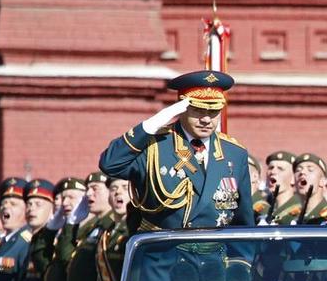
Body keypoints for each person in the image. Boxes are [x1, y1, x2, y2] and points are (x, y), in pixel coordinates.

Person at [99, 69, 253, 230]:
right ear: (181, 109)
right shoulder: (155, 146)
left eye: (214, 112)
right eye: (199, 110)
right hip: (166, 251)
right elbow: (110, 163)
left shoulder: (234, 153)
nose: (207, 119)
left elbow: (243, 219)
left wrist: (239, 256)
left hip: (213, 252)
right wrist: (153, 124)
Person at [34, 177, 87, 281]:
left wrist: (71, 224)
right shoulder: (63, 232)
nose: (65, 203)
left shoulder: (85, 232)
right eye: (63, 198)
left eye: (71, 197)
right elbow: (41, 262)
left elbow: (65, 257)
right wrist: (50, 230)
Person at [65, 172, 116, 281]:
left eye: (95, 188)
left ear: (109, 192)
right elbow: (65, 256)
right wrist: (71, 223)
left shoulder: (112, 224)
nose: (88, 193)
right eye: (87, 189)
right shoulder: (93, 226)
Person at [19, 179, 56, 281]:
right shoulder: (31, 239)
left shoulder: (52, 241)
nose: (31, 209)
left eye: (38, 204)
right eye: (29, 204)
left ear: (52, 208)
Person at [96, 177, 132, 281]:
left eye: (125, 187)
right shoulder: (107, 231)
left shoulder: (135, 230)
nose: (118, 192)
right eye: (113, 189)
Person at [264, 151, 300, 224]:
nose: (273, 172)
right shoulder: (264, 208)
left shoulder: (299, 211)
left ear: (293, 178)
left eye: (280, 169)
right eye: (271, 168)